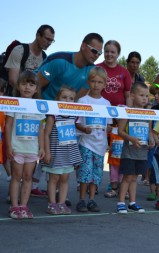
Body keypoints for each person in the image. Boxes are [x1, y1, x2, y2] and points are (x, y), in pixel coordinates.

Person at [6, 71, 45, 219]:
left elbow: (41, 128)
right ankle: (14, 206)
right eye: (24, 84)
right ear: (18, 86)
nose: (27, 87)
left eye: (31, 84)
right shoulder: (14, 103)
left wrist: (41, 147)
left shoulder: (38, 106)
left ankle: (24, 206)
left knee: (28, 177)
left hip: (32, 149)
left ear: (36, 89)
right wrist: (9, 146)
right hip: (17, 148)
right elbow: (8, 126)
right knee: (16, 176)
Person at [75, 67, 112, 212]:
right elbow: (76, 121)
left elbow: (108, 124)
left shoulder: (106, 103)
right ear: (88, 82)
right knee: (85, 171)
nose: (96, 85)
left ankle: (92, 199)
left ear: (104, 84)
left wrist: (107, 134)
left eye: (99, 82)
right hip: (86, 142)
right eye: (93, 81)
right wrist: (84, 129)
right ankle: (82, 199)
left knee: (96, 173)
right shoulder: (82, 100)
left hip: (100, 144)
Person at [41, 86, 82, 215]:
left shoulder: (74, 115)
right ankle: (52, 203)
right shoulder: (53, 115)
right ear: (57, 98)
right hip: (56, 152)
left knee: (65, 179)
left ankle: (61, 203)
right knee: (53, 179)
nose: (68, 100)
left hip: (68, 153)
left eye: (71, 98)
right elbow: (46, 134)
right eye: (64, 97)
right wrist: (47, 152)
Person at [117, 82, 154, 214]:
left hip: (142, 152)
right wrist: (131, 138)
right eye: (142, 95)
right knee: (127, 177)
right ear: (132, 95)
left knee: (135, 178)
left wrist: (152, 140)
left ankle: (132, 202)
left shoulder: (148, 114)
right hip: (129, 152)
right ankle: (121, 202)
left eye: (147, 96)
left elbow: (149, 131)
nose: (145, 98)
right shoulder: (127, 111)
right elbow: (120, 131)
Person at [37, 33, 104, 100]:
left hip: (65, 108)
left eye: (99, 53)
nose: (96, 55)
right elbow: (37, 84)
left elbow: (76, 99)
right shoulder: (59, 61)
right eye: (94, 51)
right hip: (44, 103)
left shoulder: (92, 70)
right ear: (83, 46)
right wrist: (41, 108)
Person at [4, 25, 55, 92]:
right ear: (38, 35)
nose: (49, 43)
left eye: (51, 40)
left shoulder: (44, 57)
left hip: (32, 98)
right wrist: (27, 94)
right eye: (47, 39)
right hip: (16, 96)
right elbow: (13, 80)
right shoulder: (20, 50)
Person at [97, 40, 132, 107]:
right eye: (107, 51)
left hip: (119, 111)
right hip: (100, 110)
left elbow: (128, 96)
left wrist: (128, 113)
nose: (109, 54)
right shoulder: (96, 68)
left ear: (118, 54)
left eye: (112, 52)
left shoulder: (124, 72)